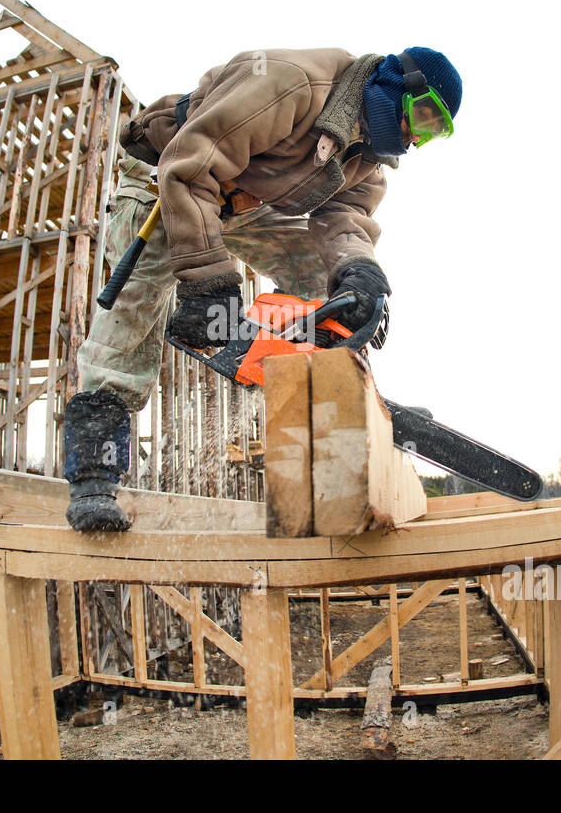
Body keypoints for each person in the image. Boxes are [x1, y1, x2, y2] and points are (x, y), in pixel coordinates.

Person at [62, 47, 462, 531]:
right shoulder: (291, 84)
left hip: (241, 200)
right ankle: (94, 477)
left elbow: (346, 222)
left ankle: (341, 388)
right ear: (398, 83)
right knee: (136, 310)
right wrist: (208, 280)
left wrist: (360, 272)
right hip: (167, 178)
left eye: (434, 133)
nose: (417, 138)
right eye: (423, 117)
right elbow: (188, 168)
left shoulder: (369, 161)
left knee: (324, 279)